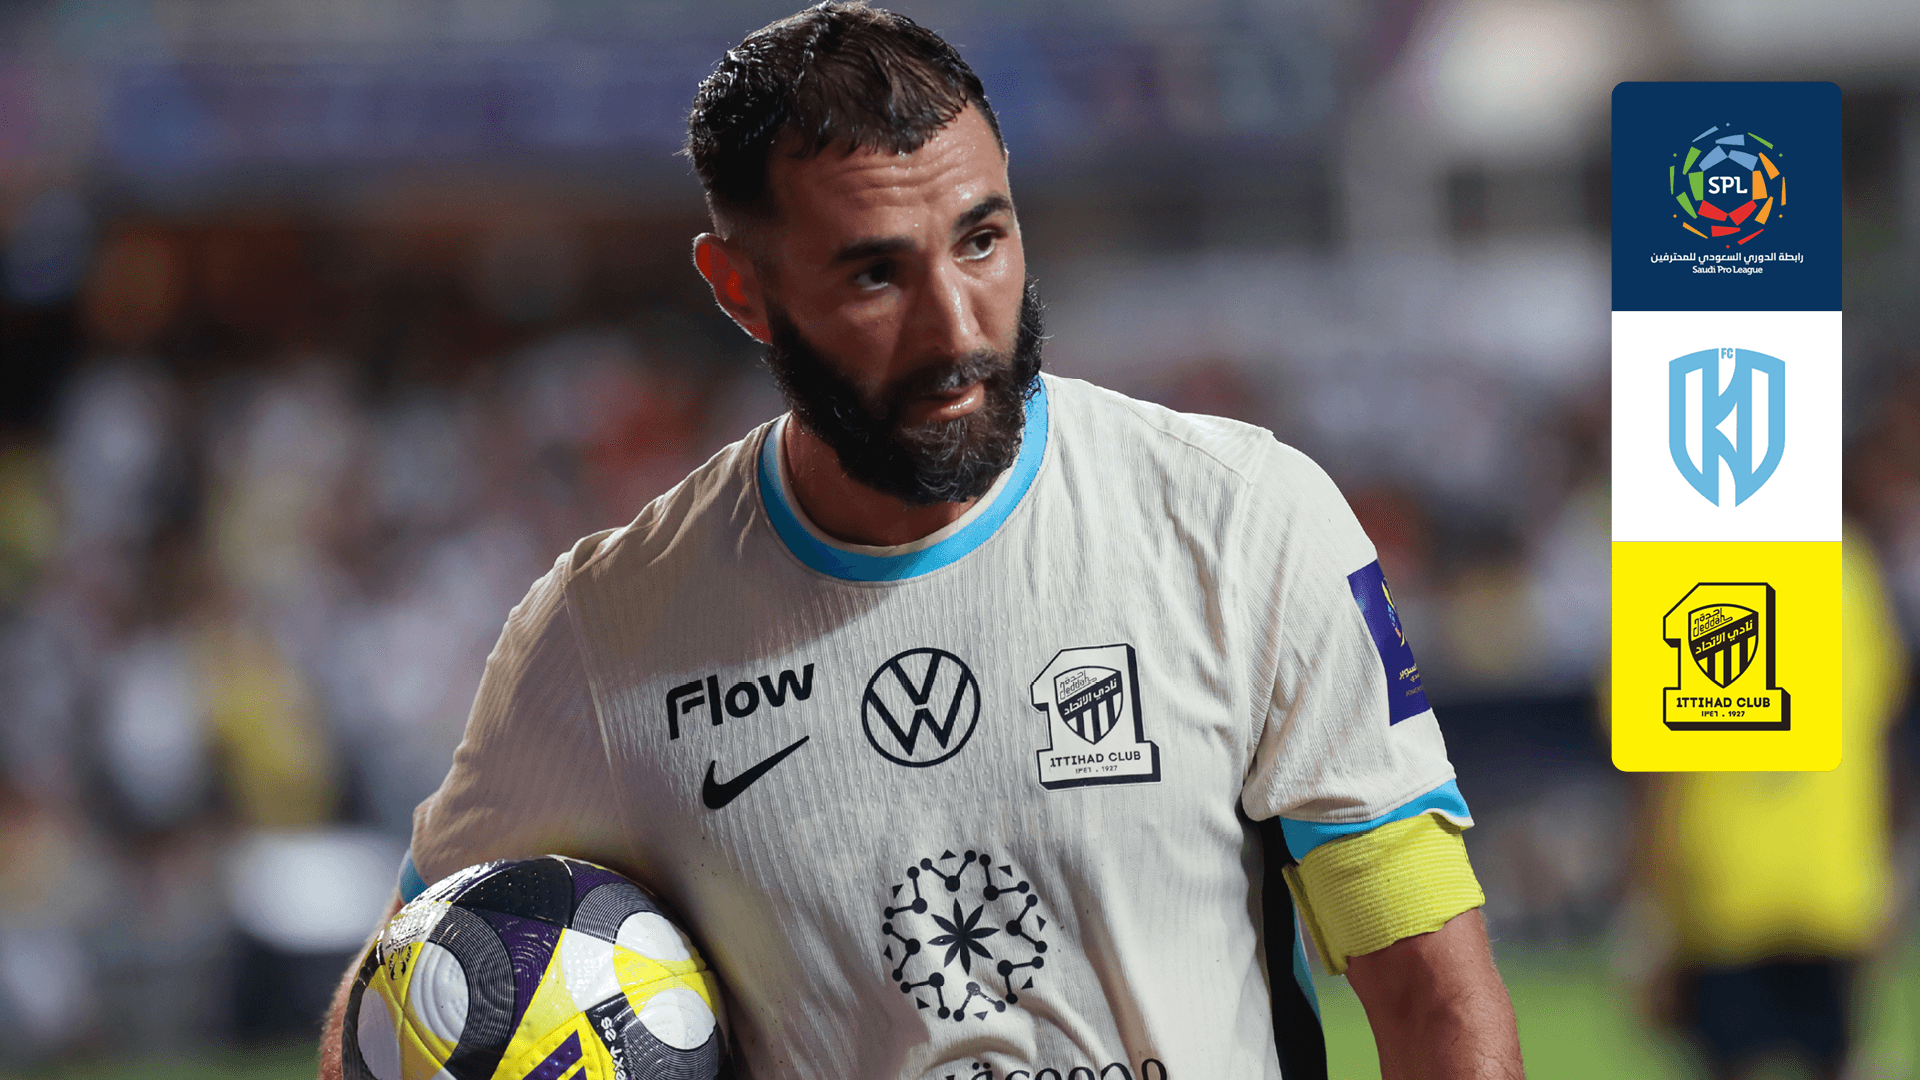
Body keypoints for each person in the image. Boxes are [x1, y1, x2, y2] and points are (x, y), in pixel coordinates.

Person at [321, 5, 1523, 1077]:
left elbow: (1436, 1005)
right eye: (874, 276)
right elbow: (403, 1005)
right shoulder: (598, 635)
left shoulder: (1242, 521)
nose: (956, 330)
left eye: (982, 239)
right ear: (740, 289)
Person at [1625, 527, 1909, 1080]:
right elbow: (1880, 732)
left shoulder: (1677, 569)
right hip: (1833, 882)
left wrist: (1644, 910)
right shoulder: (1848, 567)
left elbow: (1654, 768)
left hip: (1720, 890)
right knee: (1837, 1058)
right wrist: (1890, 865)